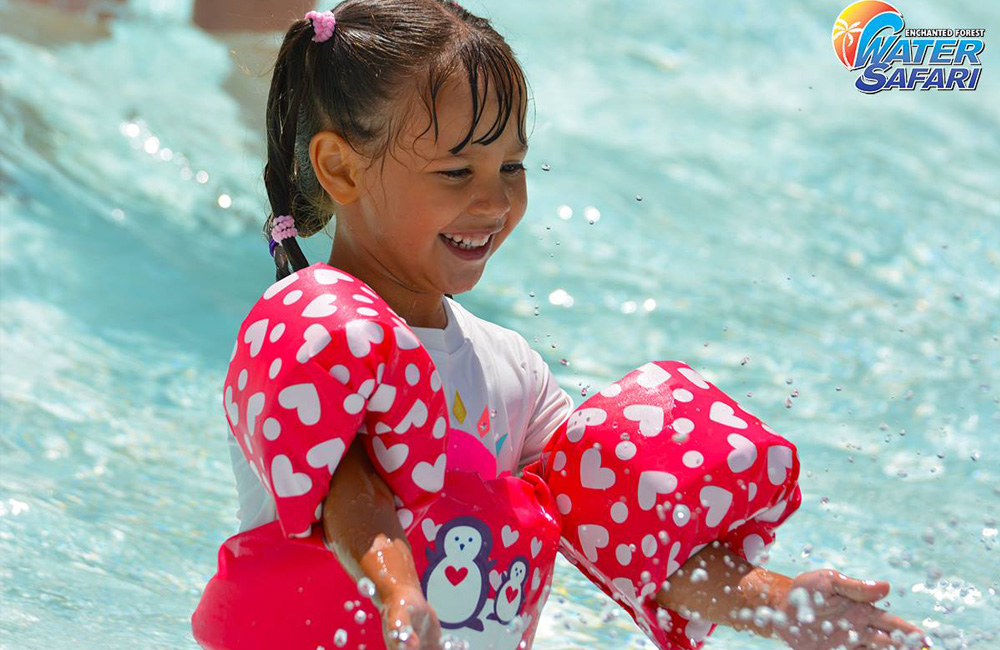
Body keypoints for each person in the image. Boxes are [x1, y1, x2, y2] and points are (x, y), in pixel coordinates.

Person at [201, 2, 933, 649]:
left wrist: (783, 608)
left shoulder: (510, 369)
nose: (493, 203)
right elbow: (348, 490)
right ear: (342, 169)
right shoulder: (317, 340)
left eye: (511, 168)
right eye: (457, 173)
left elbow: (618, 524)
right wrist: (399, 594)